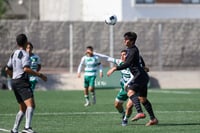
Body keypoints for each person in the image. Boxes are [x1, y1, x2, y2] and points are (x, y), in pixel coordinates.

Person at [107, 32, 158, 126]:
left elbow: (127, 64)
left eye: (127, 40)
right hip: (143, 76)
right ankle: (153, 119)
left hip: (139, 76)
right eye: (124, 39)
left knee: (130, 92)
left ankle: (140, 112)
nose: (124, 41)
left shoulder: (133, 51)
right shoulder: (130, 49)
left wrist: (115, 68)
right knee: (143, 99)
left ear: (132, 41)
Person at [5, 34, 47, 133]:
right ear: (26, 42)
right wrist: (40, 75)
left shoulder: (14, 53)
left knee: (23, 107)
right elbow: (26, 69)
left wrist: (13, 77)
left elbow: (7, 68)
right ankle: (27, 127)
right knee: (31, 105)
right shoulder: (25, 54)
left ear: (17, 43)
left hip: (15, 82)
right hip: (22, 82)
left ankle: (15, 129)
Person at [94, 50, 134, 124]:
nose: (122, 56)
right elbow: (107, 58)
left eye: (124, 54)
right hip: (124, 88)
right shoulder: (120, 62)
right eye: (121, 54)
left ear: (128, 56)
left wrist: (127, 83)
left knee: (129, 106)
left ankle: (125, 119)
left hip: (134, 88)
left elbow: (134, 75)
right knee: (117, 104)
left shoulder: (133, 64)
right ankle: (123, 114)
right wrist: (95, 53)